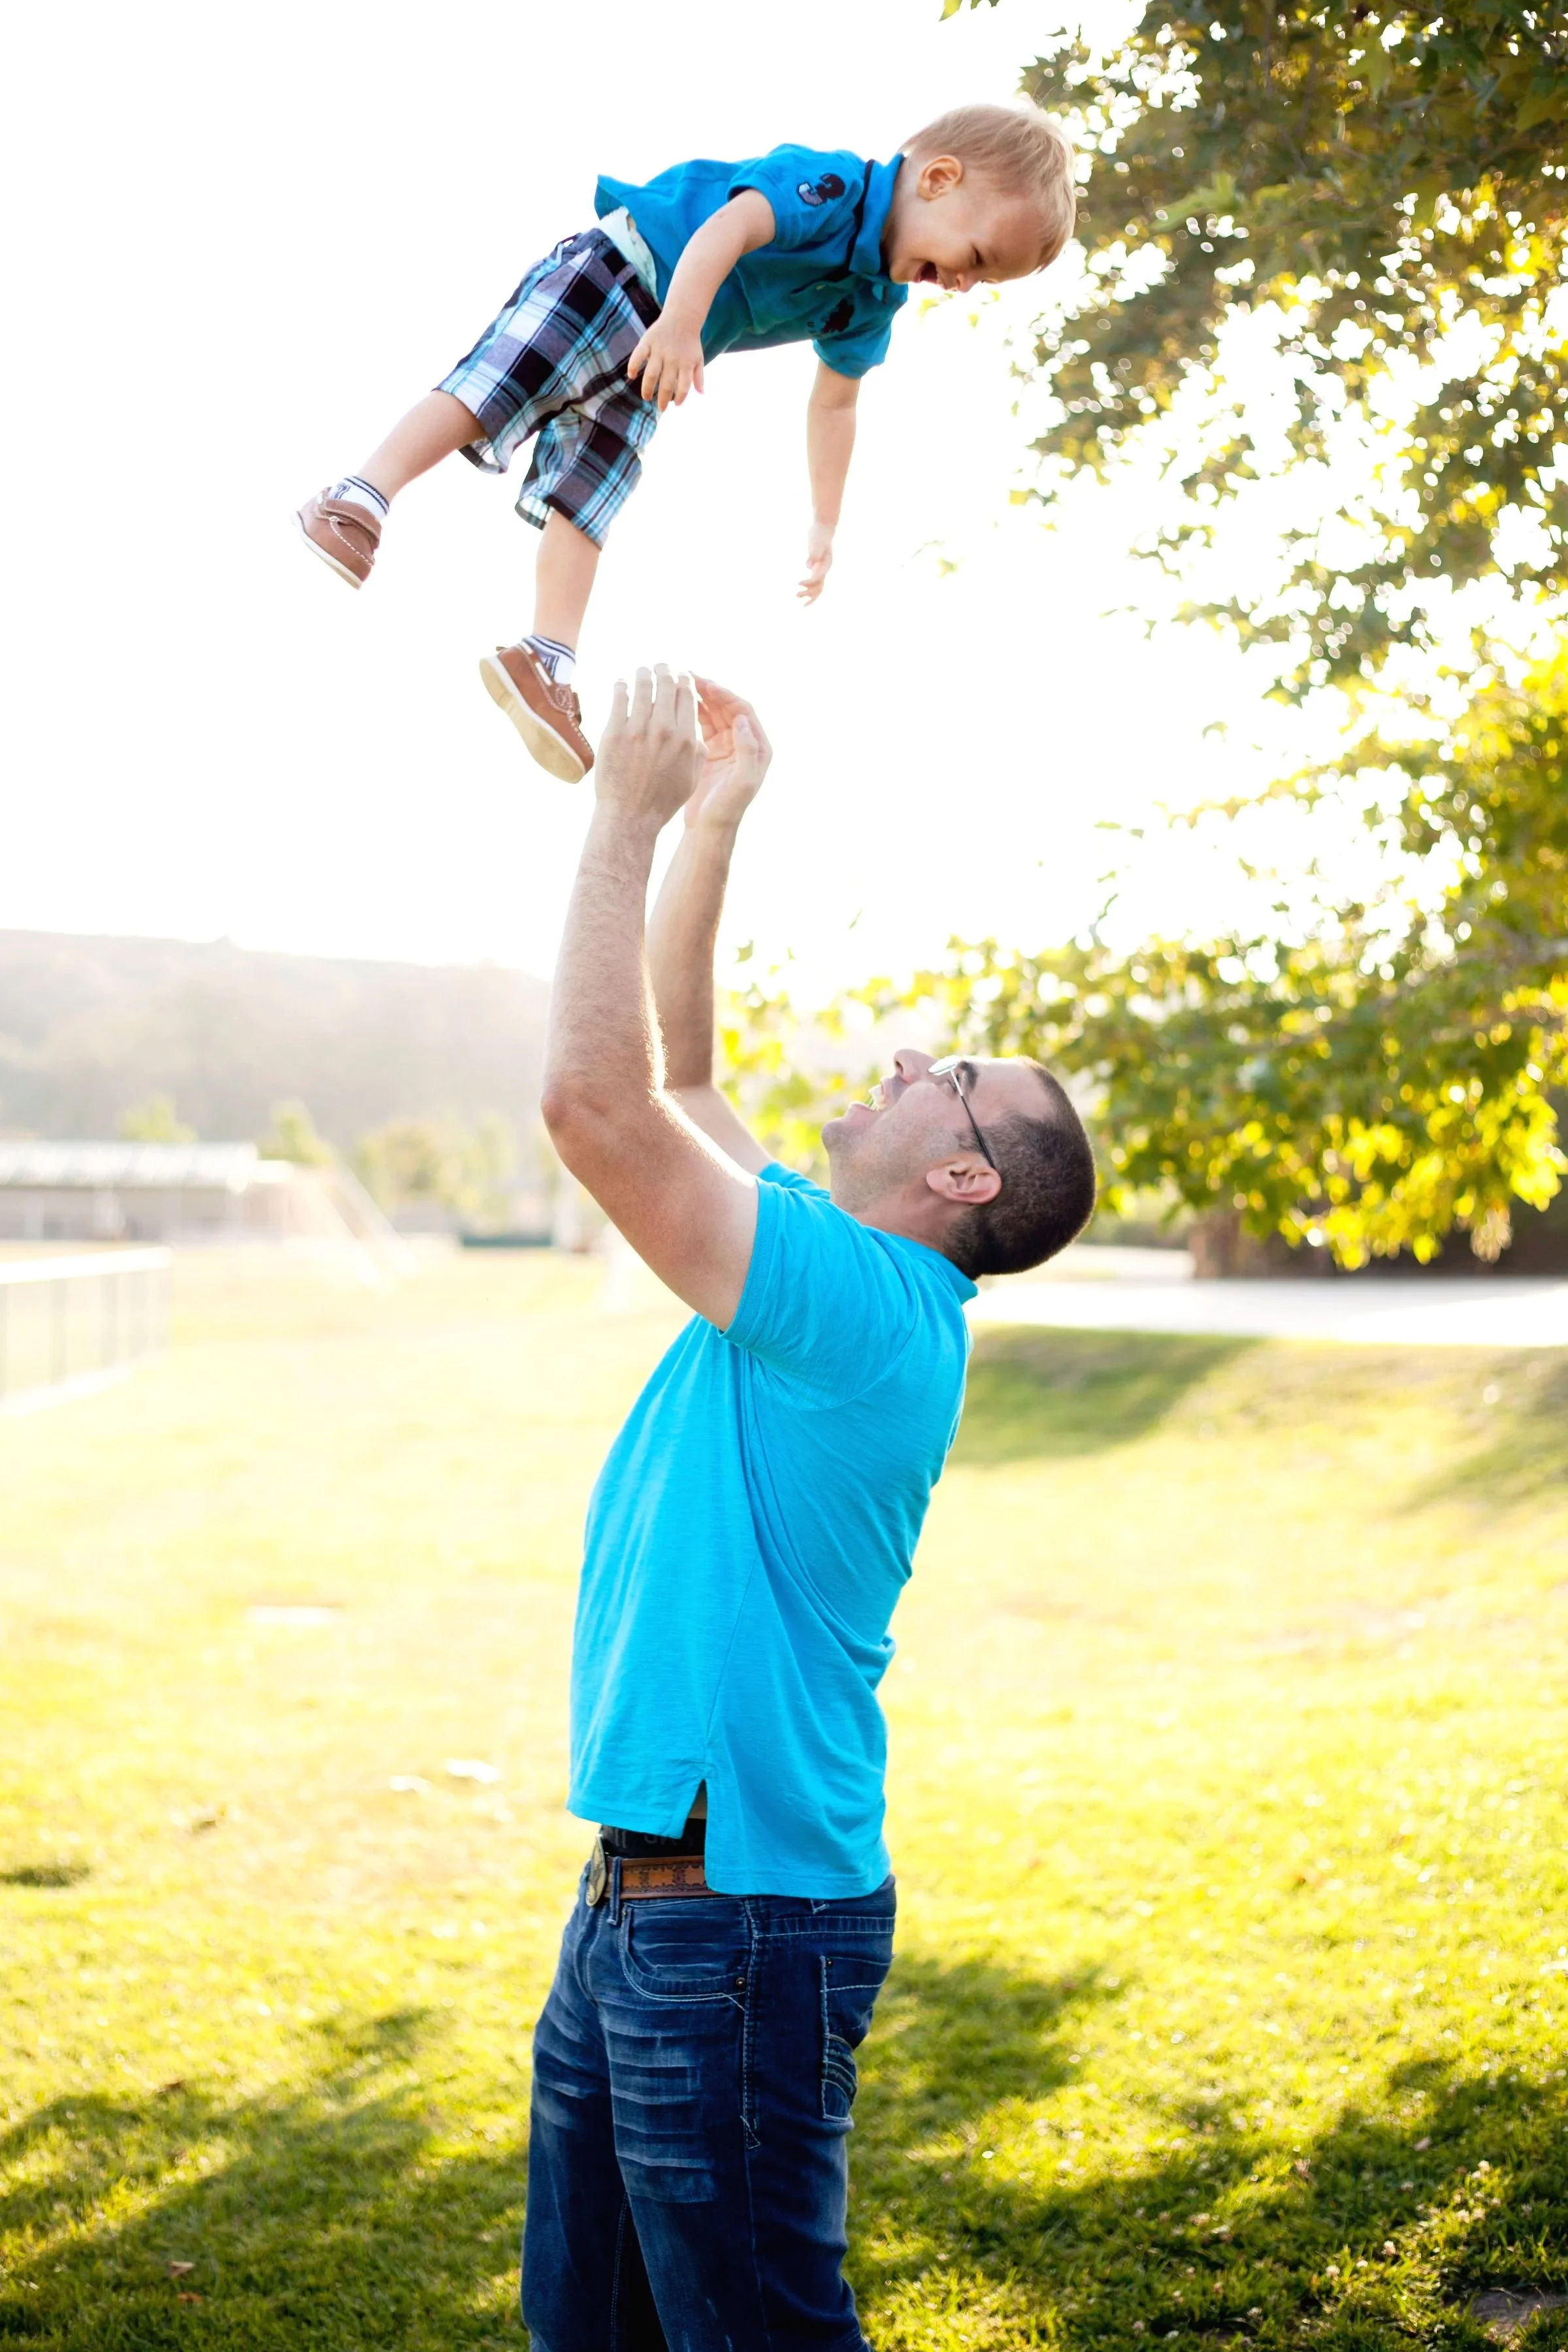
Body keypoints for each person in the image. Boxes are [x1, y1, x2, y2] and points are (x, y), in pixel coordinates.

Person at [525, 664, 1096, 2348]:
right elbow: (684, 1072)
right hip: (644, 1904)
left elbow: (598, 1107)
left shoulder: (858, 1314)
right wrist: (717, 815)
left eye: (960, 1074)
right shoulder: (830, 1270)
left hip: (737, 1928)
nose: (920, 1054)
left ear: (963, 1176)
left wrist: (619, 810)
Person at [295, 105, 1076, 783]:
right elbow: (730, 225)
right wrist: (678, 321)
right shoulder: (837, 188)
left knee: (591, 497)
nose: (964, 285)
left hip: (666, 355)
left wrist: (824, 524)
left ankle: (548, 658)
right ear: (938, 179)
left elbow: (836, 404)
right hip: (622, 275)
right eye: (975, 259)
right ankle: (360, 495)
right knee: (500, 387)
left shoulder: (873, 303)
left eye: (985, 283)